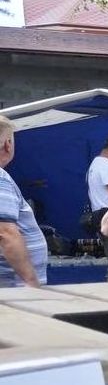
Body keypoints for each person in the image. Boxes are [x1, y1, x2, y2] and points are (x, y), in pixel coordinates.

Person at [0, 114, 47, 288]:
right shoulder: (0, 179)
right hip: (13, 289)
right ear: (8, 144)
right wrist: (31, 281)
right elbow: (6, 233)